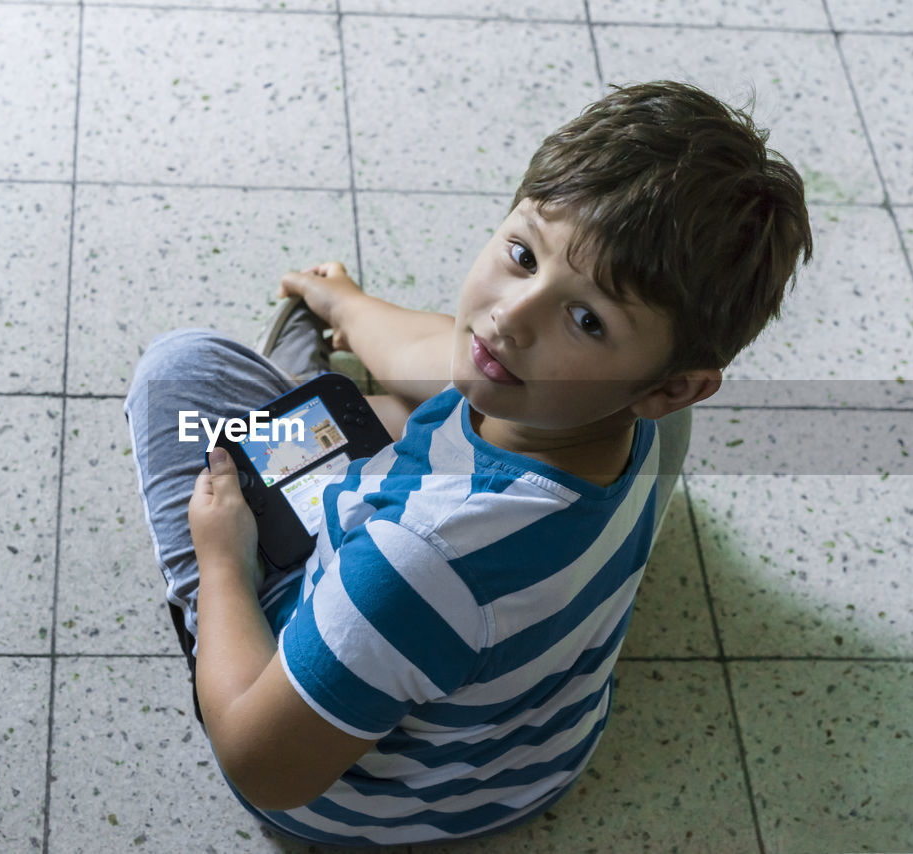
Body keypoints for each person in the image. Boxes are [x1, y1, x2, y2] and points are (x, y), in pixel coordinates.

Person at [124, 80, 813, 846]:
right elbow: (446, 358)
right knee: (386, 399)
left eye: (586, 319)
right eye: (523, 255)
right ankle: (327, 406)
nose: (508, 317)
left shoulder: (417, 565)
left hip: (350, 800)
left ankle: (240, 567)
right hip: (530, 761)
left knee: (182, 375)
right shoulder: (653, 423)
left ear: (671, 385)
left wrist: (220, 560)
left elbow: (263, 765)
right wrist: (349, 306)